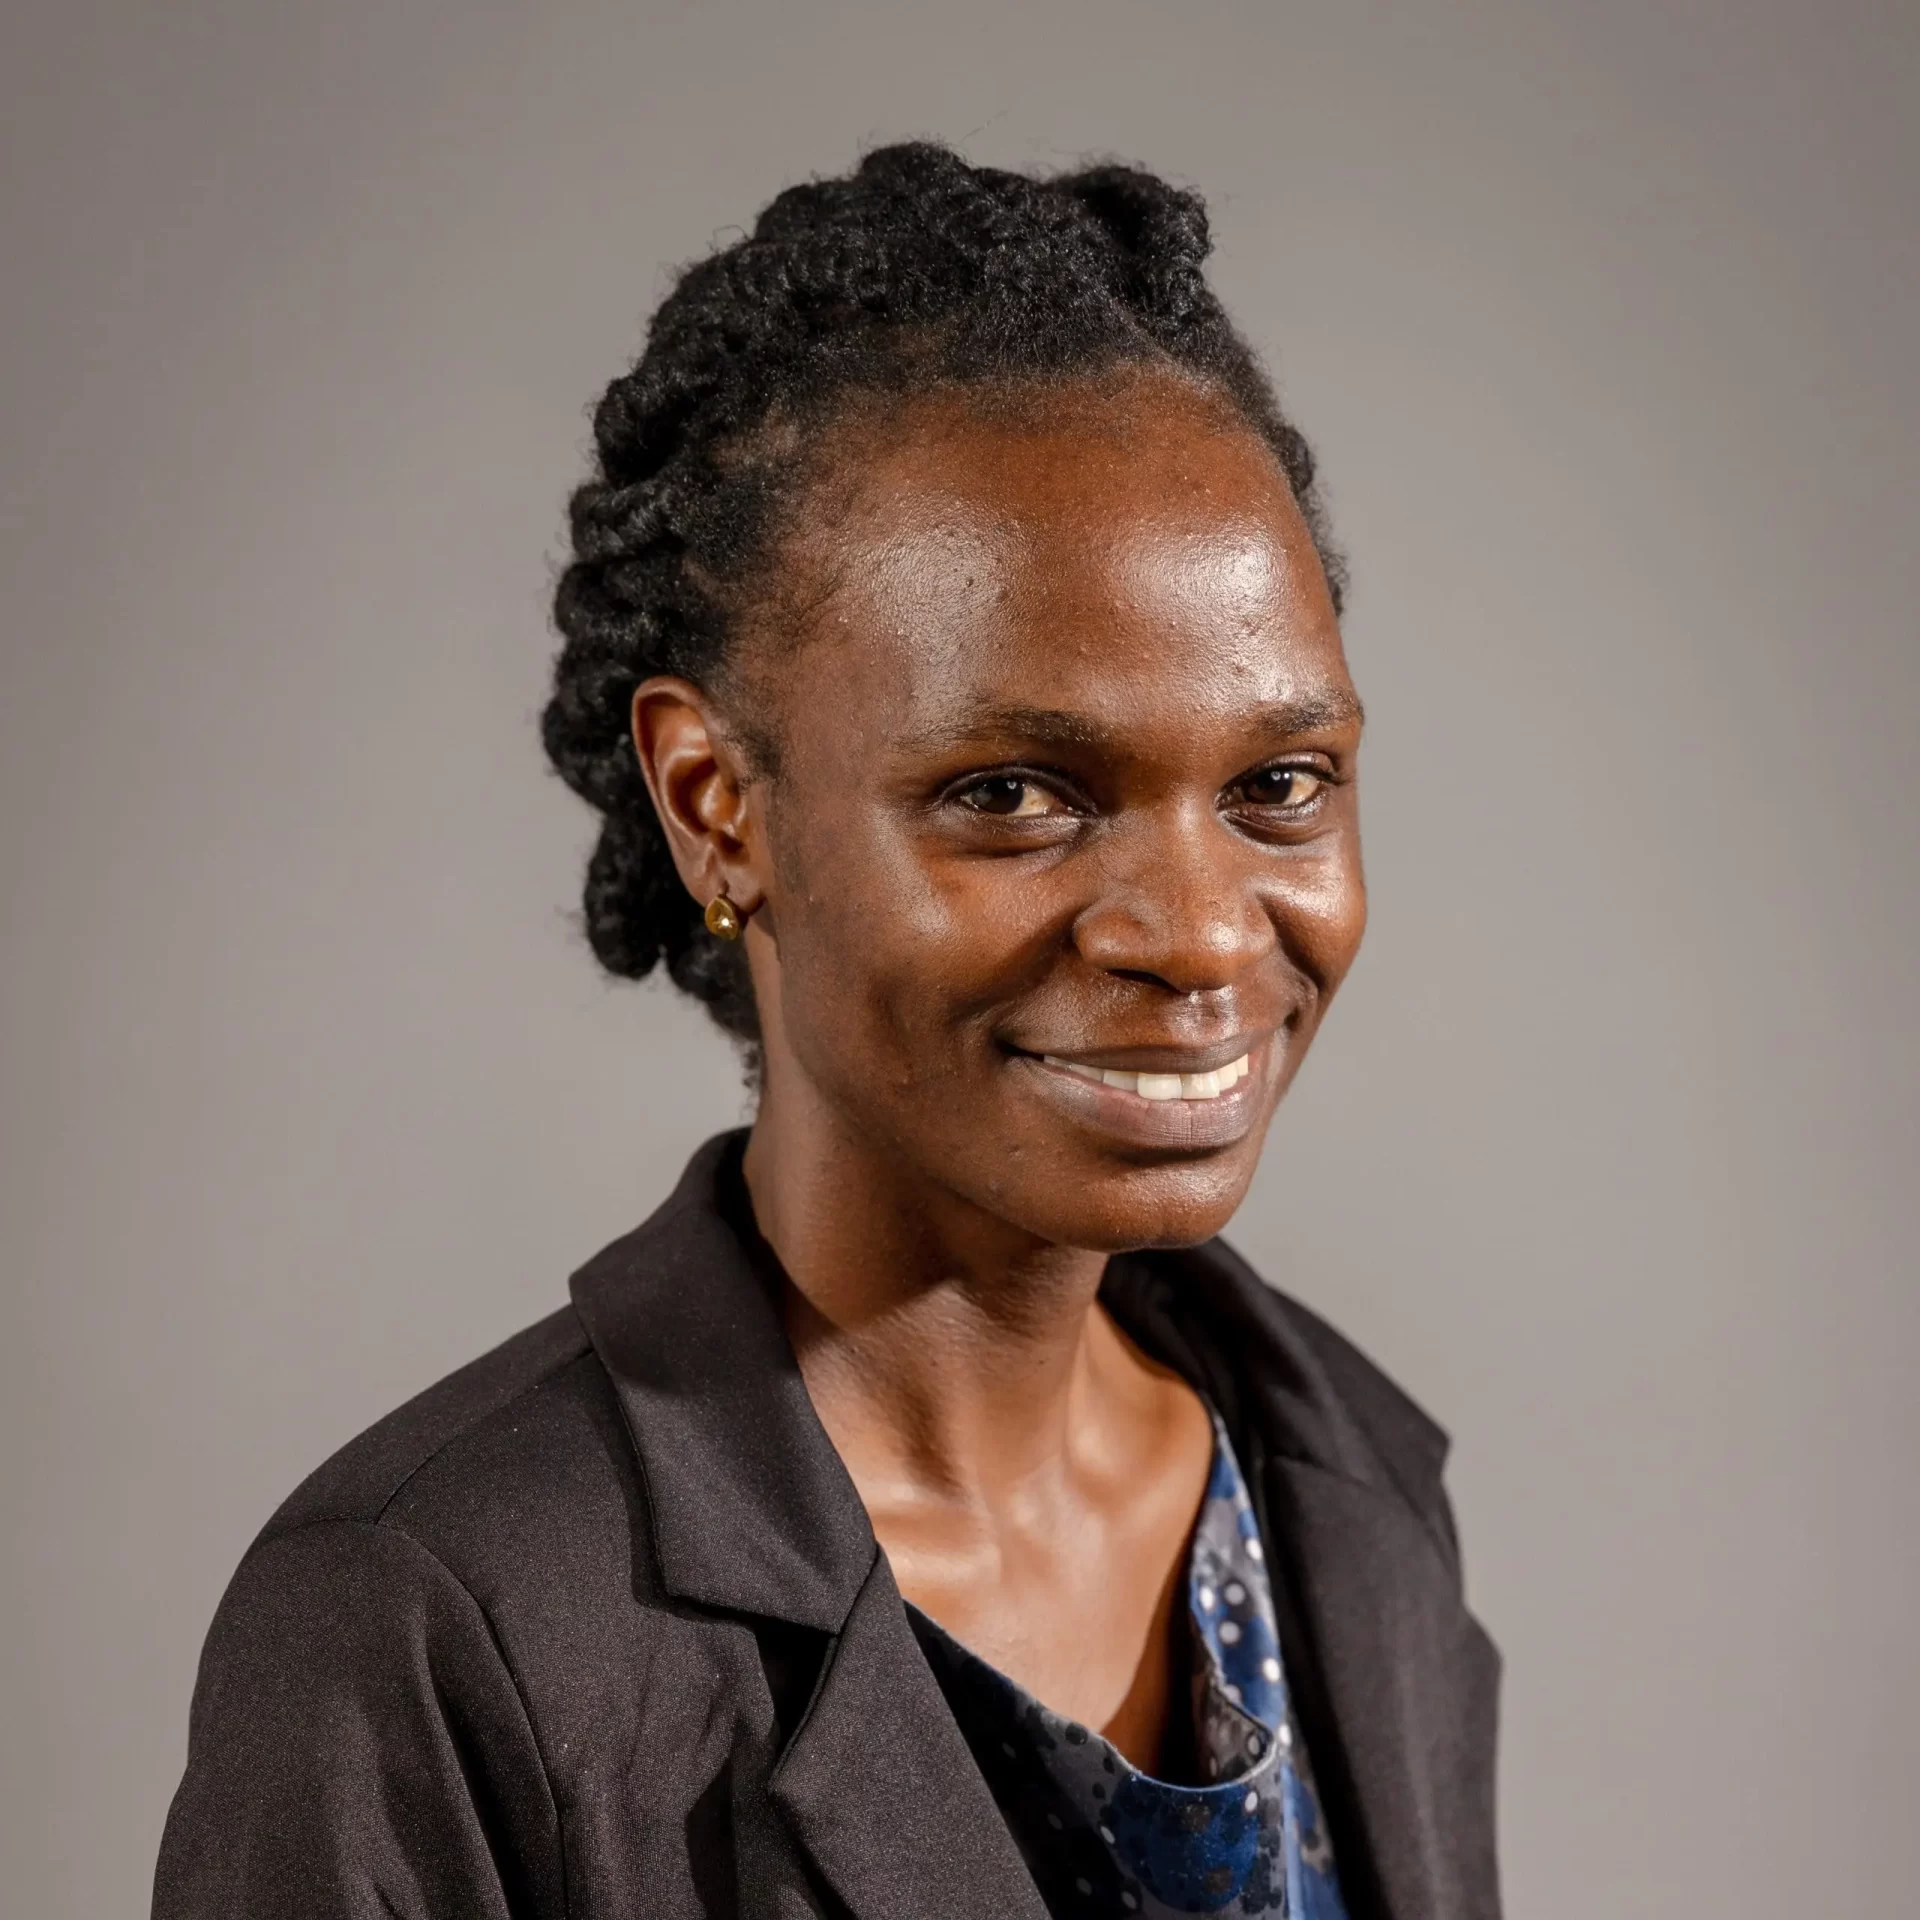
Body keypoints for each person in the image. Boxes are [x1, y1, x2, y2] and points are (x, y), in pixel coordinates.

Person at [154, 142, 1500, 1920]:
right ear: (717, 805)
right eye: (1012, 792)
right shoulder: (436, 1630)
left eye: (1281, 783)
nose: (1197, 934)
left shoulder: (1346, 1493)